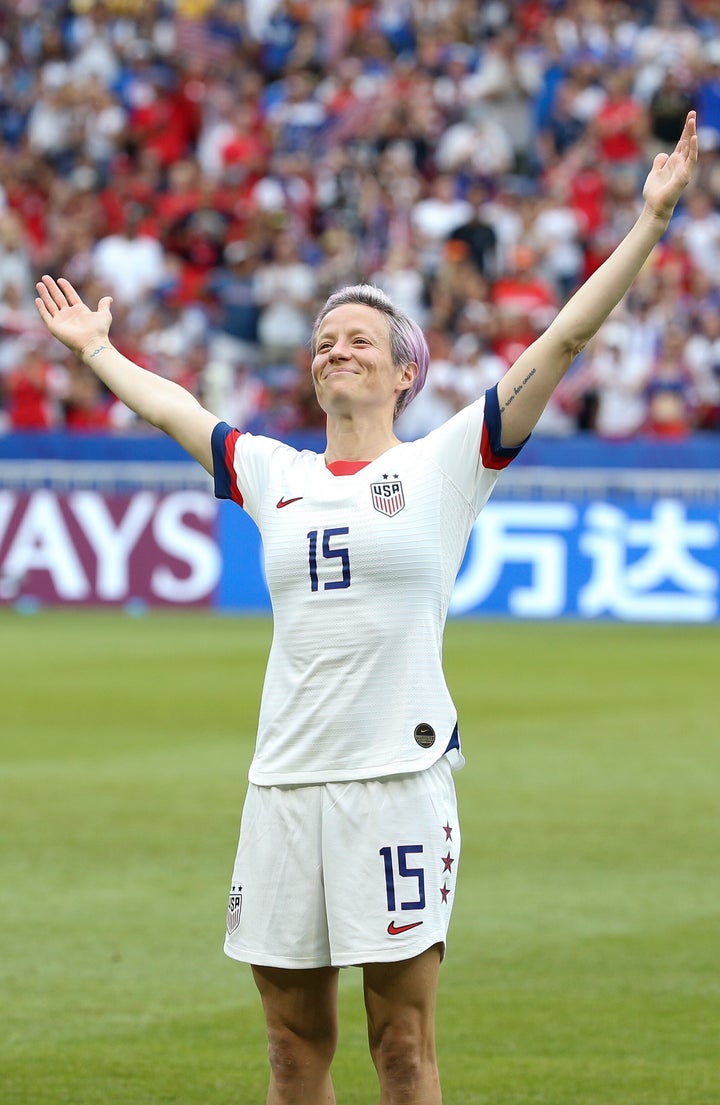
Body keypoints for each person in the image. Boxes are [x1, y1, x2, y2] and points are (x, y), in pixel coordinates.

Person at [34, 111, 697, 1105]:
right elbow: (173, 408)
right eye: (324, 339)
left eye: (359, 339)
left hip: (395, 782)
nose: (336, 349)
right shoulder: (274, 472)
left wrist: (647, 223)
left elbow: (566, 336)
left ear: (403, 370)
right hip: (283, 783)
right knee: (291, 1051)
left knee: (403, 1049)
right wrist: (94, 351)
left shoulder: (445, 464)